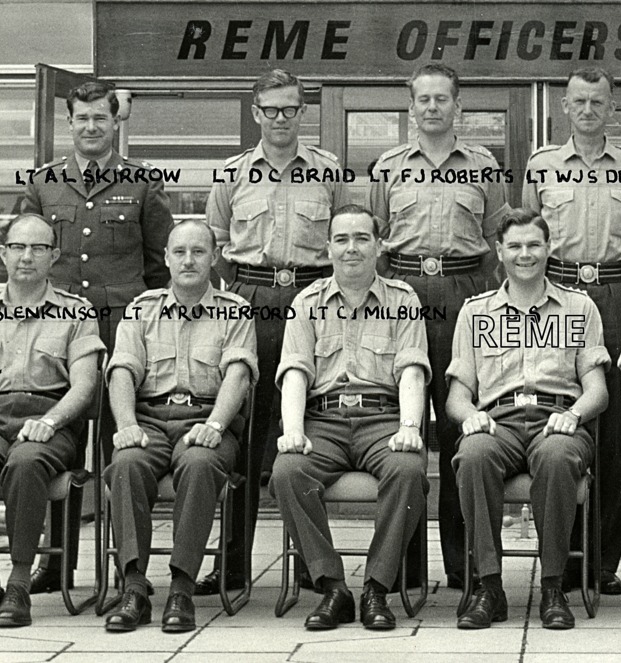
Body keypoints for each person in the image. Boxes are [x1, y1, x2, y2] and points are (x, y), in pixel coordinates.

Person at [20, 80, 174, 594]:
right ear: (69, 123)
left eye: (100, 119)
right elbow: (28, 258)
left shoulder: (143, 184)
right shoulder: (43, 185)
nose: (91, 127)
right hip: (58, 336)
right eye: (81, 118)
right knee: (58, 442)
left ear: (115, 123)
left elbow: (159, 269)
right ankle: (56, 565)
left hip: (120, 333)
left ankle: (126, 569)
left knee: (120, 447)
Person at [203, 68, 350, 595]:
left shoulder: (329, 171)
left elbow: (346, 240)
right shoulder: (232, 174)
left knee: (306, 431)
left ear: (303, 112)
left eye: (291, 109)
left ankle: (312, 564)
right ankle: (234, 563)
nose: (281, 118)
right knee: (245, 433)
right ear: (256, 113)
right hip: (253, 298)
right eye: (271, 109)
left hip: (315, 301)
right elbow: (215, 245)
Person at [369, 63, 511, 590]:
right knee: (398, 427)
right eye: (423, 99)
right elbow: (372, 241)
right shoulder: (387, 167)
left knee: (461, 426)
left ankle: (465, 566)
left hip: (463, 293)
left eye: (442, 99)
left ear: (458, 107)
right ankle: (403, 569)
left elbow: (504, 241)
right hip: (402, 295)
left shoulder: (483, 166)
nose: (432, 108)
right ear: (411, 108)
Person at [0, 213, 104, 628]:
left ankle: (18, 584)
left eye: (38, 248)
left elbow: (84, 386)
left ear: (54, 256)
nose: (27, 257)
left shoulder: (76, 312)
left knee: (27, 462)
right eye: (18, 247)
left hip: (52, 421)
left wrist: (51, 419)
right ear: (2, 253)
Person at [269, 204, 430, 631]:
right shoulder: (306, 303)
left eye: (362, 238)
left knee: (409, 468)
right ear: (328, 248)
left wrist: (410, 428)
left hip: (383, 418)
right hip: (325, 421)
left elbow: (412, 369)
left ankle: (377, 586)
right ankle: (332, 586)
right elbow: (295, 373)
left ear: (379, 246)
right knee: (287, 471)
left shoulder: (403, 300)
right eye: (341, 239)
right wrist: (294, 431)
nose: (351, 248)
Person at [447, 210, 608, 630]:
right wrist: (470, 417)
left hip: (558, 419)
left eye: (534, 245)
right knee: (473, 454)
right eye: (515, 246)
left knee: (557, 457)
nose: (525, 254)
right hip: (497, 420)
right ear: (499, 252)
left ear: (549, 248)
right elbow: (458, 395)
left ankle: (553, 585)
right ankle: (489, 586)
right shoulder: (475, 312)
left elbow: (598, 389)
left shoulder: (579, 307)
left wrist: (574, 415)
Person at [523, 66, 621, 594]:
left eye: (598, 102)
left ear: (612, 108)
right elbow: (526, 233)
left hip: (616, 295)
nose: (588, 110)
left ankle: (601, 562)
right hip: (559, 295)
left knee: (615, 430)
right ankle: (562, 555)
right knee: (560, 412)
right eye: (579, 101)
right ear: (565, 107)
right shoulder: (542, 166)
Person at [102, 220, 257, 633]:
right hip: (150, 419)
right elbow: (121, 373)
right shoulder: (142, 309)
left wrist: (217, 424)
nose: (189, 260)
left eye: (199, 252)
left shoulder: (235, 310)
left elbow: (238, 375)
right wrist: (127, 424)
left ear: (214, 257)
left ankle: (181, 589)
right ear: (167, 258)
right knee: (126, 464)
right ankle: (134, 587)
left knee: (201, 464)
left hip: (206, 419)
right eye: (180, 252)